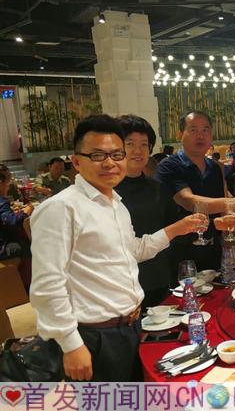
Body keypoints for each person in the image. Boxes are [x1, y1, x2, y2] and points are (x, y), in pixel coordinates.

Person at [29, 114, 203, 382]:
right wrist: (70, 343)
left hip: (130, 326)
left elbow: (133, 251)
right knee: (106, 401)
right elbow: (47, 286)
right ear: (77, 161)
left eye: (116, 154)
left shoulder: (115, 204)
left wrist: (176, 229)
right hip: (93, 336)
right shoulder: (61, 208)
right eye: (97, 155)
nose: (109, 162)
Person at [155, 111, 235, 275]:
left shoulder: (215, 168)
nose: (200, 136)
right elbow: (188, 201)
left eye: (205, 130)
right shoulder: (168, 166)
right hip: (181, 255)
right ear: (180, 134)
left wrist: (228, 216)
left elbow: (221, 204)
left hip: (212, 251)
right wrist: (230, 203)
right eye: (193, 130)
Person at [115, 115, 179, 308]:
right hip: (124, 286)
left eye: (144, 145)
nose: (138, 151)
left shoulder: (158, 188)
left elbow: (174, 227)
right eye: (130, 144)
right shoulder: (107, 192)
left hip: (160, 278)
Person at [0, 164, 32, 260]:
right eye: (7, 183)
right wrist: (26, 211)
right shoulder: (1, 201)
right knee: (32, 246)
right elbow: (13, 222)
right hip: (2, 247)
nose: (8, 187)